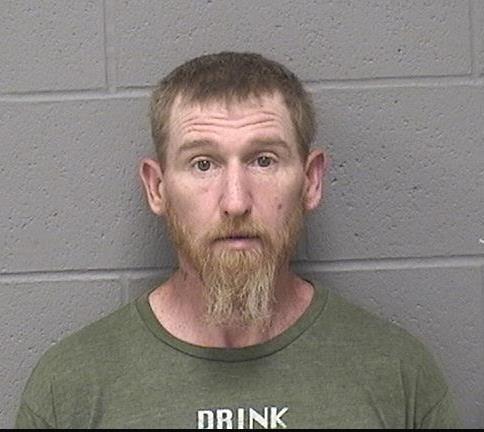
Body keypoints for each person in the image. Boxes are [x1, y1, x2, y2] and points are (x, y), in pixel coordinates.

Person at [15, 52, 460, 429]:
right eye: (203, 164)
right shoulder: (69, 390)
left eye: (263, 161)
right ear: (157, 187)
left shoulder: (399, 377)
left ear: (311, 181)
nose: (235, 202)